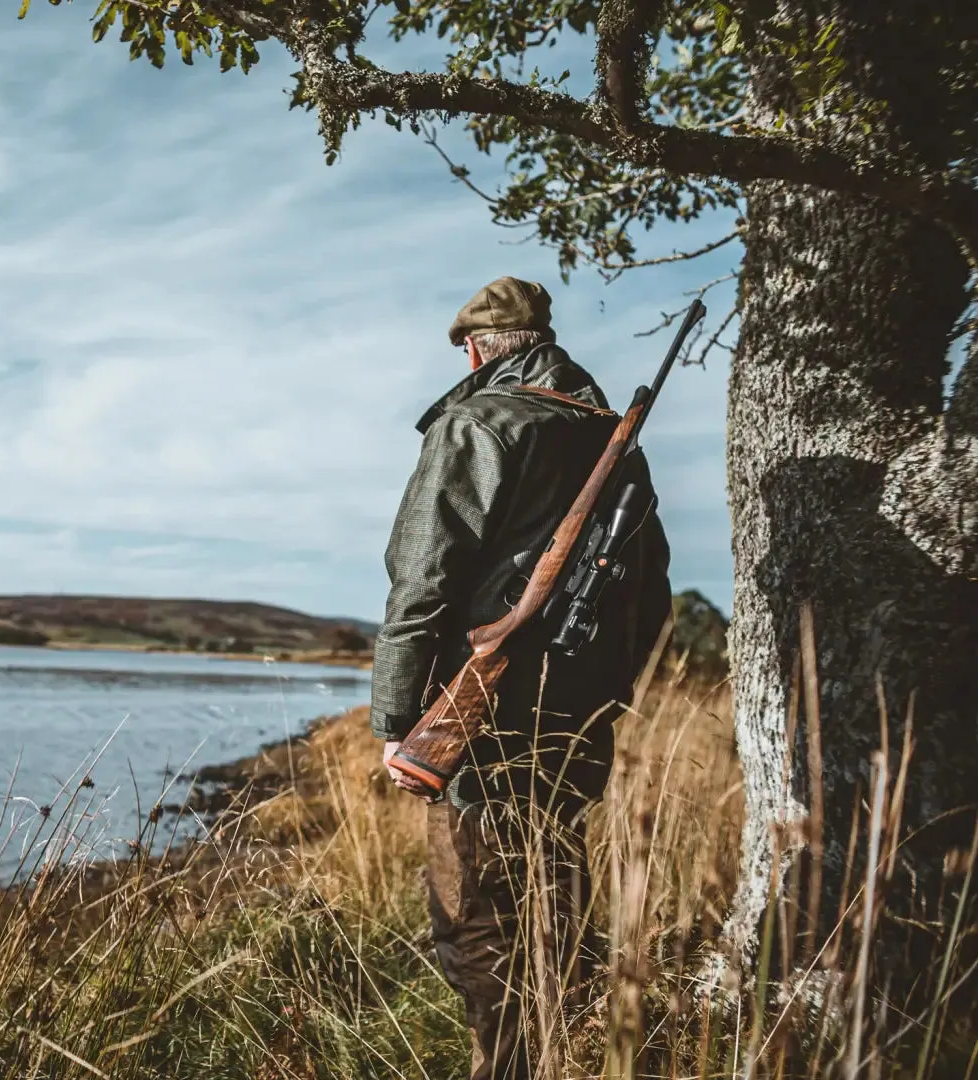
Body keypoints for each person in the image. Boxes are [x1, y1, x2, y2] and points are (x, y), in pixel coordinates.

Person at [369, 276, 672, 1079]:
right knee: (555, 900)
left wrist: (398, 721)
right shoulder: (614, 444)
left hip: (485, 721)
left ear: (476, 350)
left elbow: (422, 581)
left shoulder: (477, 423)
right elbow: (655, 588)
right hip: (578, 717)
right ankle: (559, 1057)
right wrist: (607, 693)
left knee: (473, 919)